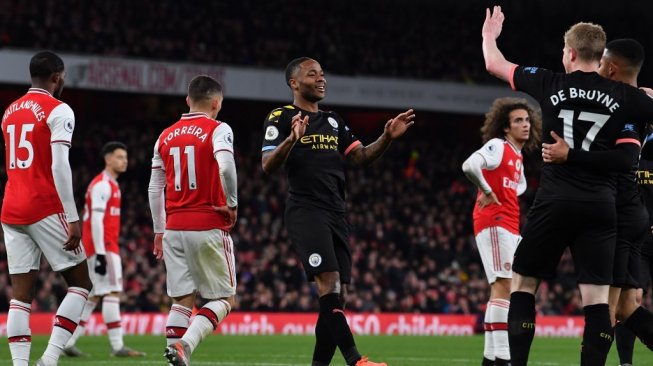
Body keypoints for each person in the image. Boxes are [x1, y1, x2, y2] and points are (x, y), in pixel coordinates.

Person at [482, 6, 653, 365]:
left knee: (524, 285)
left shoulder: (549, 82)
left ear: (571, 53)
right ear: (601, 55)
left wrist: (489, 36)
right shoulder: (623, 95)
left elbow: (495, 64)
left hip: (554, 201)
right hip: (601, 207)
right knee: (596, 301)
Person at [261, 57, 414, 366]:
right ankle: (356, 360)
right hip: (306, 210)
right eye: (312, 74)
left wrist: (386, 138)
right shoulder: (281, 116)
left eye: (323, 74)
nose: (321, 79)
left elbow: (359, 157)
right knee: (329, 284)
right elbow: (267, 165)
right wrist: (292, 140)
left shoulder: (333, 120)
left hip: (336, 213)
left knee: (339, 295)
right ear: (294, 83)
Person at [542, 39, 653, 366]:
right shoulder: (637, 101)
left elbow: (622, 158)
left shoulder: (624, 105)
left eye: (603, 65)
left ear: (613, 68)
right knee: (625, 306)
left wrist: (569, 155)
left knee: (605, 307)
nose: (598, 70)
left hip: (618, 209)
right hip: (630, 211)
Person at [1, 51, 92, 366]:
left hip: (11, 208)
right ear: (57, 76)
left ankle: (19, 365)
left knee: (20, 296)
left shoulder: (10, 111)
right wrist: (73, 217)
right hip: (43, 206)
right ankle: (50, 358)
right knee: (81, 283)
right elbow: (59, 165)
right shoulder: (58, 109)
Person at [148, 75, 238, 366]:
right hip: (207, 224)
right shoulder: (218, 129)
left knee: (181, 301)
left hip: (173, 228)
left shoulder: (164, 135)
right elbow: (226, 167)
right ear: (216, 103)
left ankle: (174, 357)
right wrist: (232, 204)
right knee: (225, 299)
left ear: (188, 100)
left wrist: (158, 231)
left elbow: (154, 188)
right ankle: (185, 344)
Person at [462, 97, 541, 366]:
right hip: (494, 222)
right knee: (504, 285)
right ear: (506, 128)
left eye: (527, 120)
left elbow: (518, 187)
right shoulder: (498, 146)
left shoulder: (517, 156)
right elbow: (469, 165)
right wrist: (486, 190)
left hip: (508, 224)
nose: (525, 125)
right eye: (518, 120)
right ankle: (503, 358)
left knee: (502, 288)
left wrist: (498, 190)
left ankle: (490, 358)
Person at [62, 141, 145, 357]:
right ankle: (118, 347)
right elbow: (96, 221)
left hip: (100, 247)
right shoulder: (102, 185)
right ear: (107, 159)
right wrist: (100, 253)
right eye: (119, 157)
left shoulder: (109, 185)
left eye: (125, 158)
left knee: (93, 297)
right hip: (104, 248)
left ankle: (68, 342)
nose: (124, 161)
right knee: (112, 292)